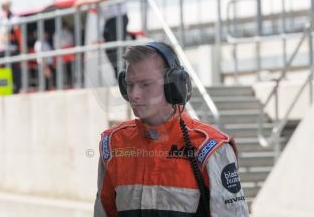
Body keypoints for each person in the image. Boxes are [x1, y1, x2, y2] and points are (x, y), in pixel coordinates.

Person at [94, 42, 249, 216]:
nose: (135, 94)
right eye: (130, 85)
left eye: (145, 84)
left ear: (174, 85)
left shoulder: (211, 148)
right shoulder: (113, 144)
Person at [75, 0, 129, 80]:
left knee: (116, 50)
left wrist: (83, 2)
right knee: (111, 50)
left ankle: (125, 77)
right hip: (109, 20)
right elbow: (98, 3)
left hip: (117, 18)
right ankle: (121, 77)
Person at [0, 0, 22, 93]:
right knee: (3, 69)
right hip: (4, 48)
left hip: (13, 48)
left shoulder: (14, 18)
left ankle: (16, 89)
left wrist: (21, 46)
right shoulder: (3, 19)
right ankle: (4, 90)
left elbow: (18, 34)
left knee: (14, 70)